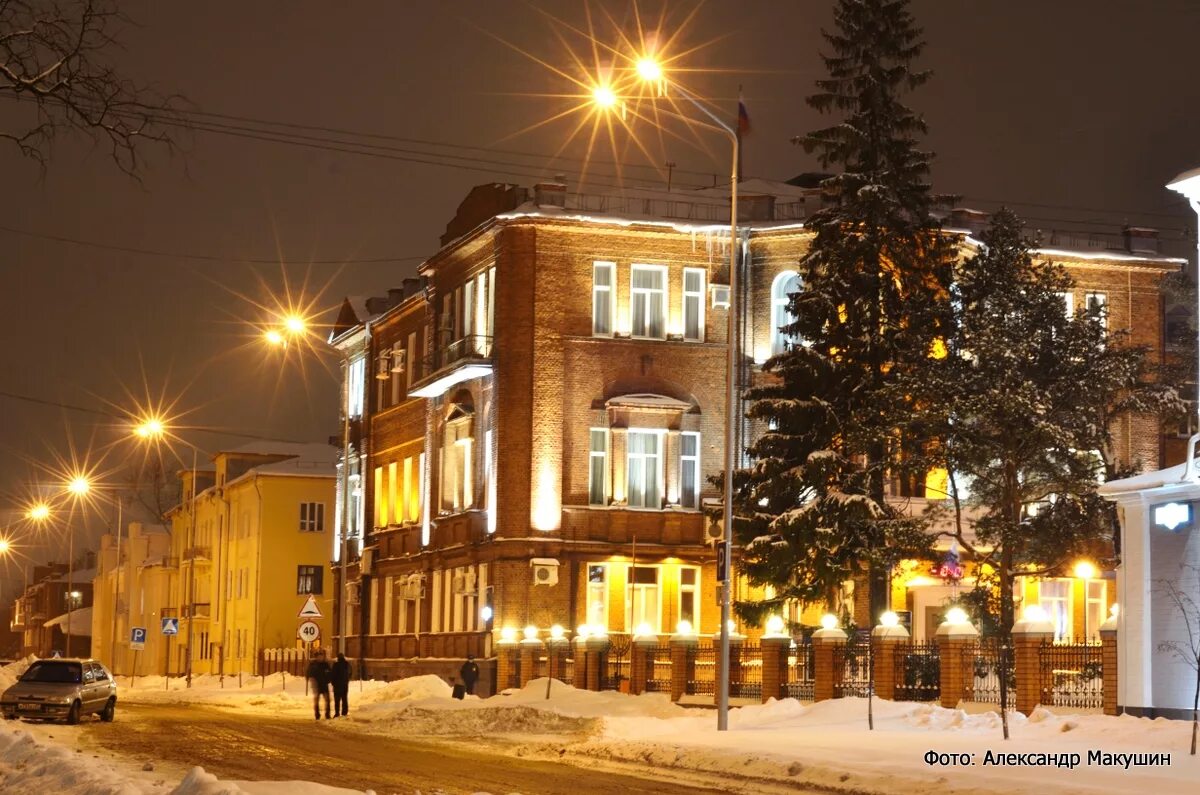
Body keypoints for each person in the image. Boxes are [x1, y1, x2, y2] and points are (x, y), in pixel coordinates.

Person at [305, 649, 332, 720]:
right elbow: (309, 674)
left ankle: (327, 714)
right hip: (317, 685)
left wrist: (328, 680)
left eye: (321, 656)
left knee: (328, 700)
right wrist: (312, 681)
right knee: (316, 700)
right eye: (319, 656)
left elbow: (330, 673)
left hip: (324, 685)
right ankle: (317, 714)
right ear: (316, 657)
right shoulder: (313, 665)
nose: (320, 658)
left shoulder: (325, 664)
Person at [331, 652, 352, 717]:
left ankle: (337, 713)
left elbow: (333, 674)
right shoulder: (347, 664)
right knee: (344, 699)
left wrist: (333, 683)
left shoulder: (336, 665)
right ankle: (344, 712)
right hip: (345, 685)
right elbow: (350, 673)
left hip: (337, 685)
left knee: (337, 700)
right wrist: (347, 680)